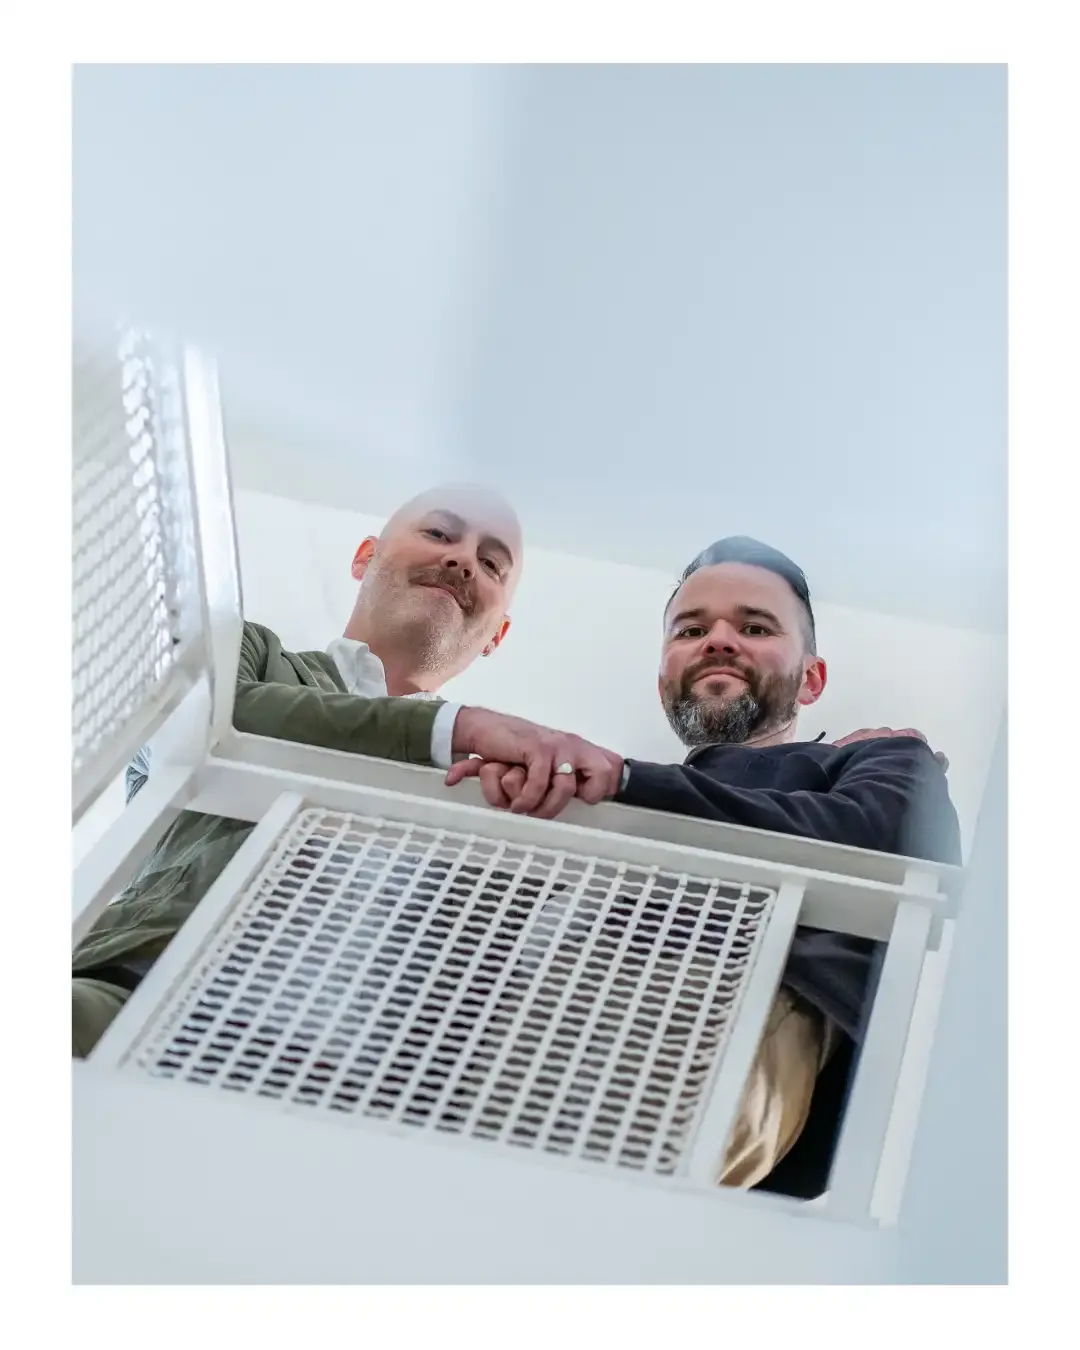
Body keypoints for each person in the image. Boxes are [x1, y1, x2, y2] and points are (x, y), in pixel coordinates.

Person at [445, 535, 961, 1193]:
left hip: (722, 1007)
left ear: (812, 677)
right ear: (664, 676)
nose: (719, 640)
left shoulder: (872, 758)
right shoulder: (594, 784)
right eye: (692, 629)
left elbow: (890, 836)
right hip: (537, 1008)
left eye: (754, 626)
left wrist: (626, 782)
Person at [72, 483, 618, 1057]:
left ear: (497, 636)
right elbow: (195, 720)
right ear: (364, 559)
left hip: (352, 1083)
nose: (462, 560)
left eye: (490, 564)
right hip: (138, 997)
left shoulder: (486, 778)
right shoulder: (252, 653)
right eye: (439, 533)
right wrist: (448, 729)